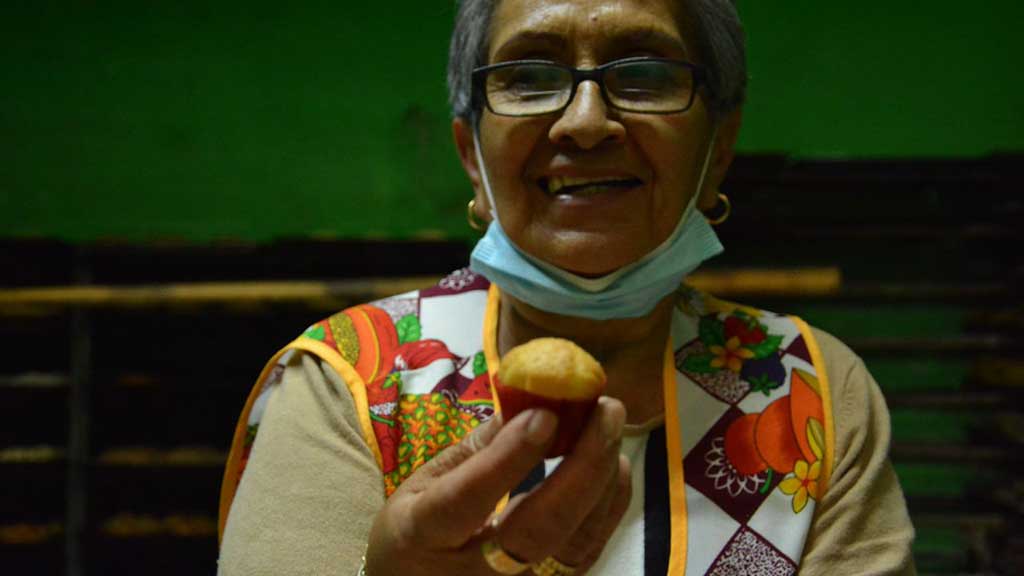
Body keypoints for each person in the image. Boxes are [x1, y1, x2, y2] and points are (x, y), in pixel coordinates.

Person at [217, 0, 916, 574]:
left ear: (717, 152)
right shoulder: (348, 386)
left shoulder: (810, 392)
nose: (586, 122)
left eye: (644, 74)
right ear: (472, 159)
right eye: (529, 77)